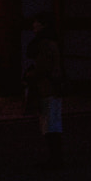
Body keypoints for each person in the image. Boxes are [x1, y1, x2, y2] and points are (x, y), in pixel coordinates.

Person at [27, 11, 66, 169]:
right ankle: (55, 157)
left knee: (49, 122)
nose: (33, 25)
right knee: (53, 121)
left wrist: (30, 74)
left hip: (47, 86)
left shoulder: (44, 43)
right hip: (53, 85)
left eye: (36, 22)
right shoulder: (52, 42)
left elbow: (43, 67)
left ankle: (54, 158)